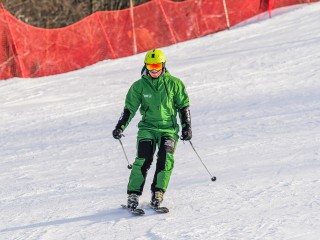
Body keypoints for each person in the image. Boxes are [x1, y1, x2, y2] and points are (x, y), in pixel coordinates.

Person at [112, 49, 192, 210]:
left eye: (156, 66)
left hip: (168, 129)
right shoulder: (139, 86)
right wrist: (120, 126)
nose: (153, 70)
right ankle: (133, 194)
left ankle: (158, 193)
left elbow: (183, 106)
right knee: (143, 159)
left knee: (165, 159)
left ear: (163, 65)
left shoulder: (174, 83)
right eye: (150, 66)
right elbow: (129, 109)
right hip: (147, 128)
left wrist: (186, 127)